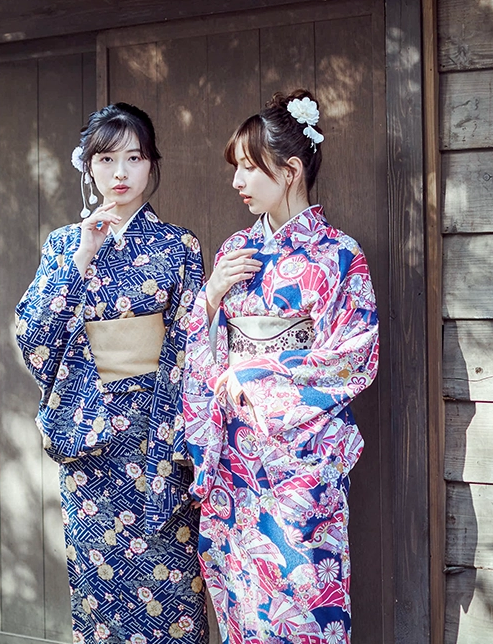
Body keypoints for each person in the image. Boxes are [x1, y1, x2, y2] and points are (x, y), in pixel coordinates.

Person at [182, 89, 380, 644]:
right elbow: (200, 351)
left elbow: (354, 356)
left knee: (303, 599)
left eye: (249, 167)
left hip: (300, 461)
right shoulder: (234, 251)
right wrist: (210, 297)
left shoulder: (338, 255)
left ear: (290, 171)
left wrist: (256, 374)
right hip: (234, 459)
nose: (237, 181)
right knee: (240, 603)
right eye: (237, 168)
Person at [15, 103, 207, 644]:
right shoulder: (64, 245)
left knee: (173, 593)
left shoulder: (179, 246)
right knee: (99, 598)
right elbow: (35, 340)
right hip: (91, 444)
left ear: (152, 164)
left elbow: (195, 348)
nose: (120, 172)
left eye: (134, 158)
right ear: (88, 167)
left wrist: (179, 445)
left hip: (158, 438)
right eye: (106, 159)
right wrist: (81, 257)